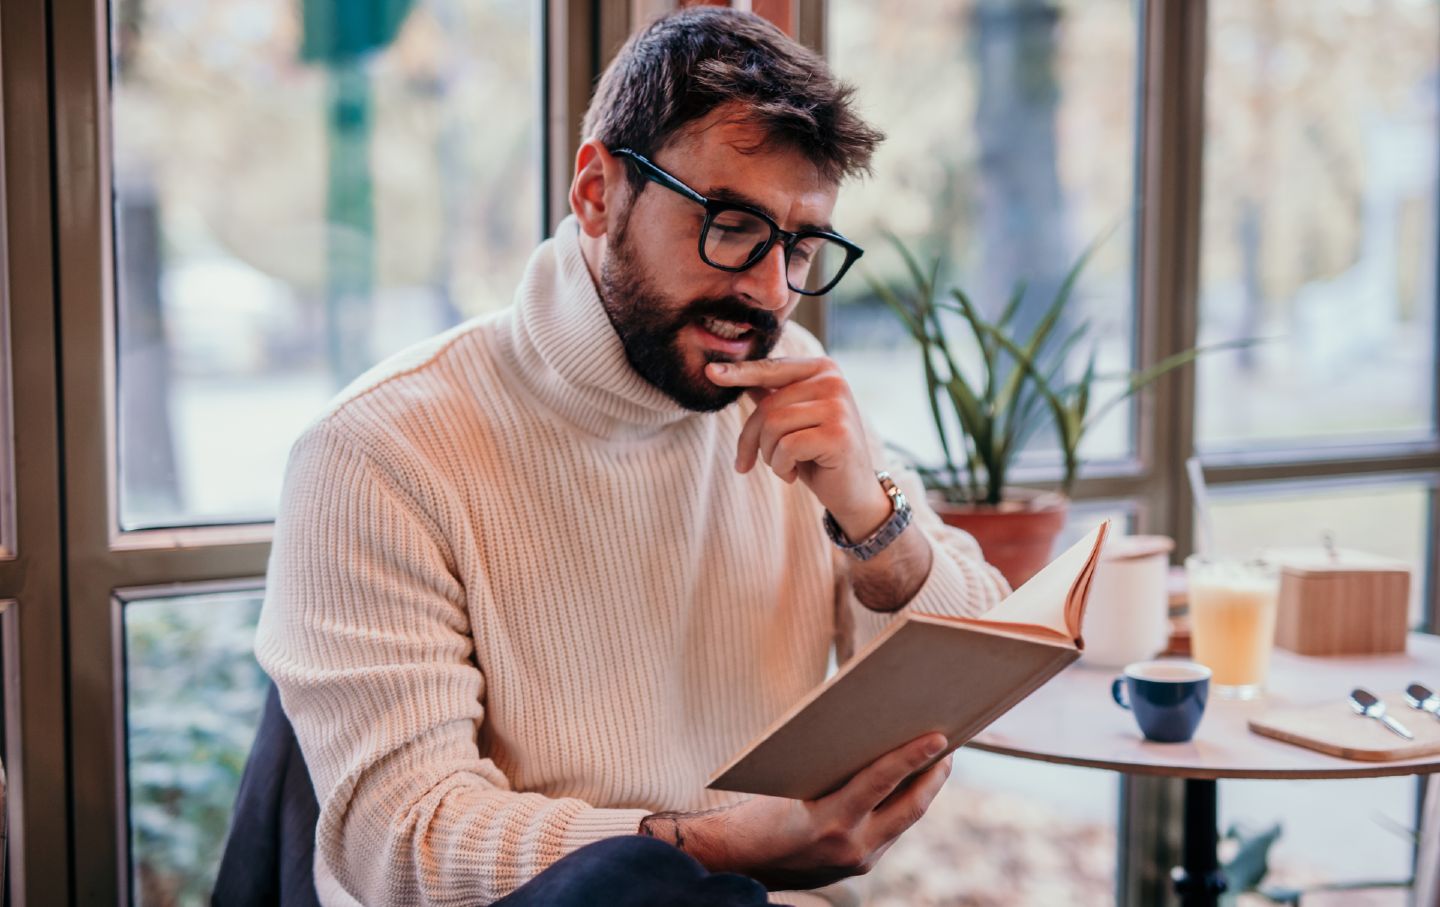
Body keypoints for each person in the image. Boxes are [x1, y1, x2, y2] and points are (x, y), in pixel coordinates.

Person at [255, 7, 1009, 906]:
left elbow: (980, 666)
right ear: (597, 192)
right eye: (732, 223)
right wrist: (729, 847)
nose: (770, 290)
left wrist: (873, 520)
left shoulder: (790, 395)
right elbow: (403, 840)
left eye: (803, 245)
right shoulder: (380, 451)